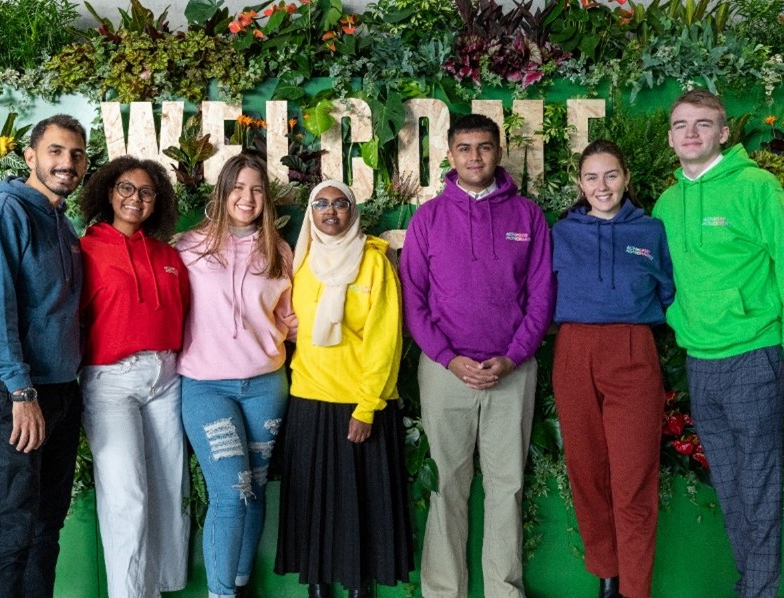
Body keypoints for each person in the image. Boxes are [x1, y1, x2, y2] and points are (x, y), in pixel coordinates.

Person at [653, 89, 784, 598]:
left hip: (754, 355)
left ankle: (759, 592)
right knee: (729, 485)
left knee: (759, 485)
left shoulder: (757, 188)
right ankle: (751, 586)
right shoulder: (667, 201)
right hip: (700, 362)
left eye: (702, 124)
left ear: (723, 132)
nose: (691, 133)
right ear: (670, 137)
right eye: (681, 125)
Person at [400, 113, 555, 598]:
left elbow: (542, 295)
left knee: (507, 486)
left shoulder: (528, 216)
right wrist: (448, 358)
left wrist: (512, 357)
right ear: (450, 154)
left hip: (511, 370)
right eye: (465, 148)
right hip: (447, 371)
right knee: (448, 485)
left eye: (484, 147)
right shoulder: (427, 217)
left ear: (498, 151)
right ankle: (445, 590)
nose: (475, 156)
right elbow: (413, 300)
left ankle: (504, 590)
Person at [0, 114, 87, 597]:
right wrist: (21, 390)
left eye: (76, 154)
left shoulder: (62, 222)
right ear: (30, 156)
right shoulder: (3, 215)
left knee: (46, 525)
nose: (66, 162)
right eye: (55, 151)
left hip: (58, 392)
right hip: (13, 394)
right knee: (14, 528)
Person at [275, 180, 413, 598]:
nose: (330, 211)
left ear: (352, 212)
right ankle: (317, 583)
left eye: (339, 204)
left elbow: (385, 339)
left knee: (361, 506)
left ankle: (360, 584)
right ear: (311, 214)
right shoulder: (300, 261)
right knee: (313, 501)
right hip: (309, 398)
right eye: (321, 204)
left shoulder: (374, 262)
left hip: (359, 403)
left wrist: (367, 406)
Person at [551, 140, 674, 598]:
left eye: (611, 176)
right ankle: (606, 573)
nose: (602, 186)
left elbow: (668, 292)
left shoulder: (651, 231)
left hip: (633, 349)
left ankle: (635, 589)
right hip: (574, 350)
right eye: (591, 177)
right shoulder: (560, 233)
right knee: (587, 471)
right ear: (580, 184)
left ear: (626, 178)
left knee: (633, 477)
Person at [176, 151, 296, 598]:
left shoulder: (278, 252)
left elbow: (291, 317)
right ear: (223, 192)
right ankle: (221, 594)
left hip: (265, 385)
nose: (248, 198)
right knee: (231, 492)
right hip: (207, 387)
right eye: (239, 188)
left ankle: (240, 585)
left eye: (258, 190)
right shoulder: (188, 246)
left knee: (256, 489)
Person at [77, 156, 191, 597]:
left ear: (155, 201)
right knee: (126, 496)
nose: (135, 198)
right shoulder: (85, 249)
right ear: (108, 193)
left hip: (165, 376)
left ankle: (160, 585)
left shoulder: (167, 255)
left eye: (146, 192)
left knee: (167, 488)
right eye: (126, 188)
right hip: (111, 380)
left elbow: (185, 311)